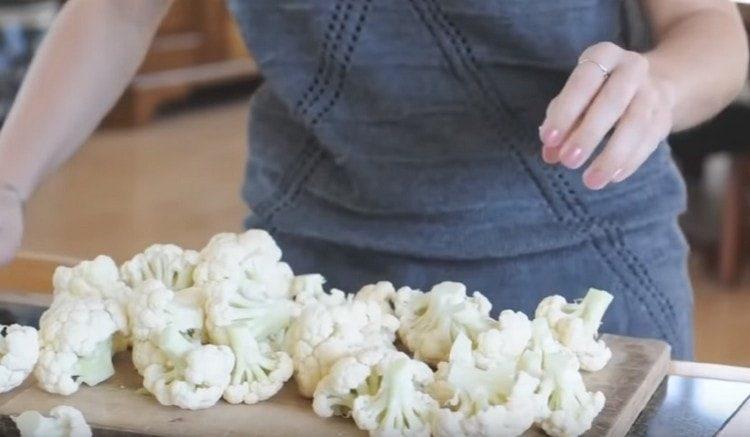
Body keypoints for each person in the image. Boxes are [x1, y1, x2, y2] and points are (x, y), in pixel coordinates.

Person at [0, 0, 746, 359]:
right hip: (304, 296)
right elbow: (114, 16)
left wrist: (662, 82)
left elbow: (710, 28)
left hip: (583, 296)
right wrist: (8, 182)